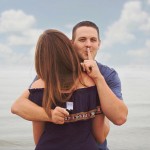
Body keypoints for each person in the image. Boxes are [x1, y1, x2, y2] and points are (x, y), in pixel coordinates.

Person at [11, 21, 128, 150]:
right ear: (71, 44)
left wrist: (98, 78)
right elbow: (19, 105)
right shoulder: (49, 75)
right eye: (82, 40)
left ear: (99, 44)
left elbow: (120, 118)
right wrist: (50, 114)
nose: (88, 44)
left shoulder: (107, 75)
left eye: (93, 40)